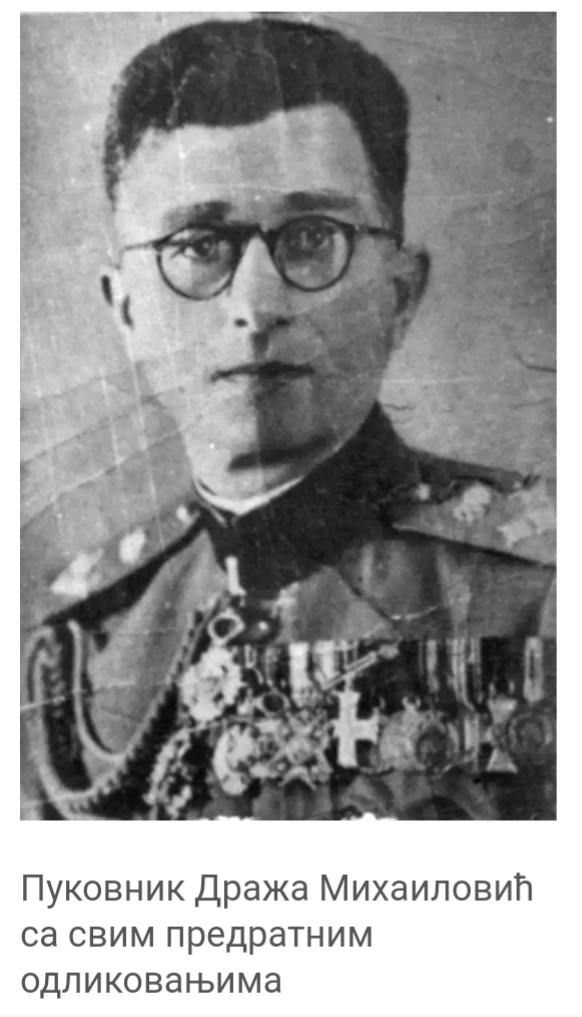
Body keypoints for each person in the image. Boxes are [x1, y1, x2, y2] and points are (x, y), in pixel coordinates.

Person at [22, 17, 555, 821]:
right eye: (199, 244)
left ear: (400, 293)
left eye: (311, 237)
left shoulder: (541, 591)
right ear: (125, 309)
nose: (256, 303)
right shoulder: (77, 643)